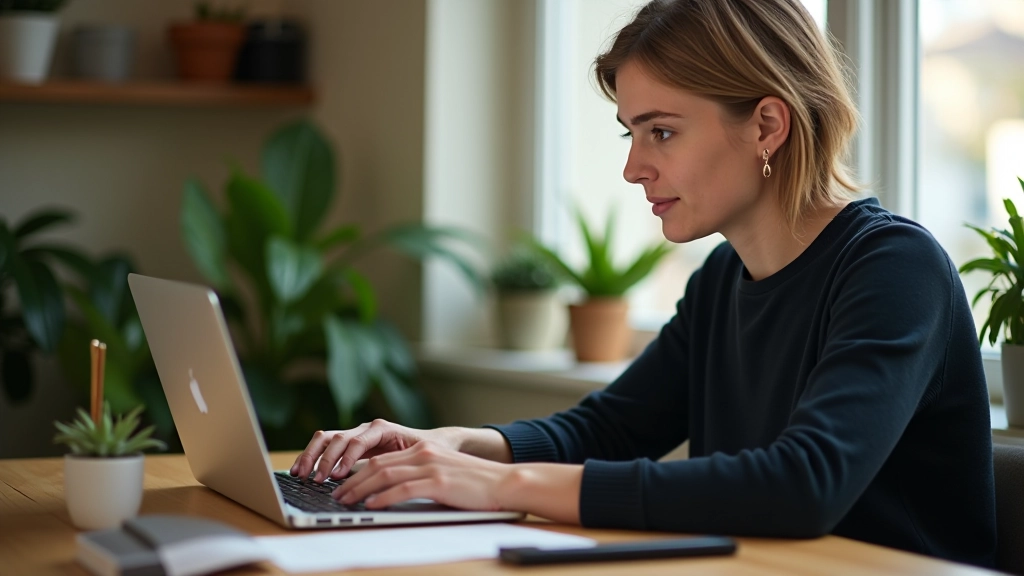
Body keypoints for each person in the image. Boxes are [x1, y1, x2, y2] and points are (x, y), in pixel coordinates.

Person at [290, 0, 996, 567]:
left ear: (767, 126)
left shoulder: (893, 269)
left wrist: (500, 486)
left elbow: (802, 485)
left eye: (661, 131)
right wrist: (451, 446)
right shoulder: (724, 276)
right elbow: (614, 427)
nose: (633, 168)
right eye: (632, 132)